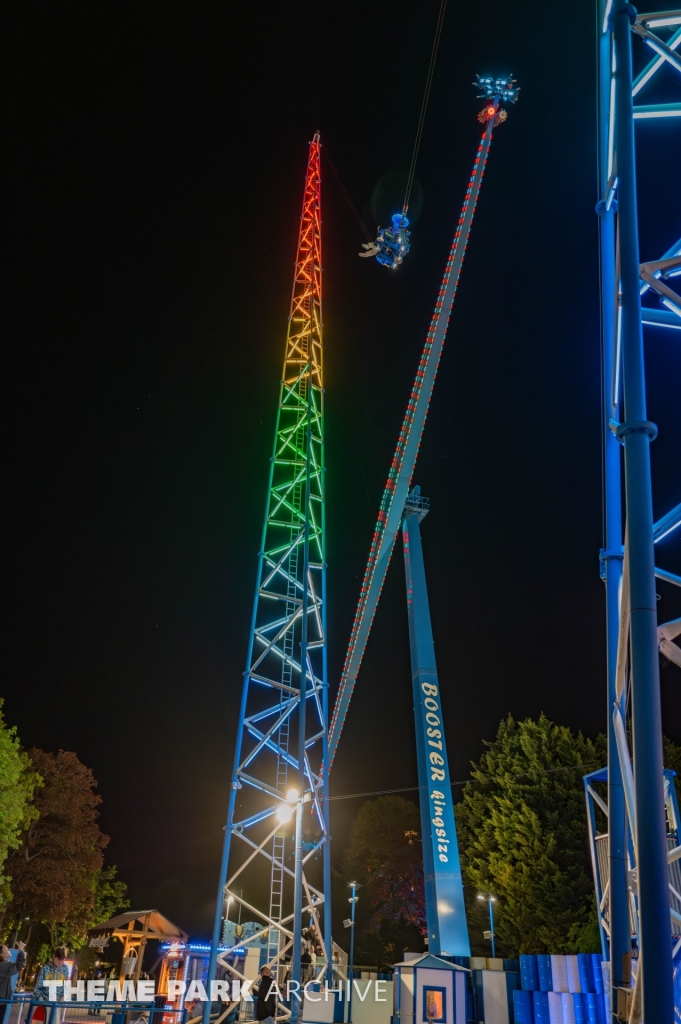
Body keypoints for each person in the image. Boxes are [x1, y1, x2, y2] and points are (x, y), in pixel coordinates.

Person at [27, 948, 69, 1024]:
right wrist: (39, 998)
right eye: (58, 960)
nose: (60, 963)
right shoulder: (45, 968)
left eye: (61, 961)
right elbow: (38, 985)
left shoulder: (64, 969)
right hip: (45, 1002)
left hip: (57, 1002)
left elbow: (66, 984)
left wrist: (64, 996)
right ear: (54, 957)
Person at [1, 942, 27, 1024]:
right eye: (6, 950)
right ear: (1, 954)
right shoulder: (4, 965)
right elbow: (20, 966)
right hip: (1, 1001)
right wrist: (21, 950)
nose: (9, 950)